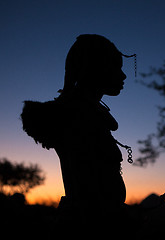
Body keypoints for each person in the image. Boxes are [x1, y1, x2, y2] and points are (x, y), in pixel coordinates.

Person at [21, 34, 133, 233]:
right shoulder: (77, 114)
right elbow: (89, 193)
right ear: (95, 67)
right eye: (116, 67)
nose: (123, 75)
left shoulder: (87, 112)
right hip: (88, 232)